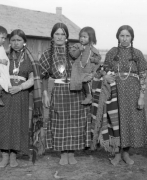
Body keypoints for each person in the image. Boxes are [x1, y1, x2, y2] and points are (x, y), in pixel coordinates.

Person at [91, 25, 147, 166]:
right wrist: (105, 76)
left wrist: (141, 96)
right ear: (118, 37)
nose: (124, 38)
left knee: (129, 122)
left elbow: (143, 75)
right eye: (122, 35)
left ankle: (126, 153)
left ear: (132, 37)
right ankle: (116, 154)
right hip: (114, 93)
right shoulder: (112, 52)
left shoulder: (137, 54)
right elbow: (103, 70)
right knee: (115, 122)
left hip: (133, 93)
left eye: (127, 36)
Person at [39, 23, 91, 165]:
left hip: (75, 91)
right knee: (60, 121)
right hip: (59, 91)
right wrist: (45, 94)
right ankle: (63, 153)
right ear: (52, 36)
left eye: (63, 34)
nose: (60, 37)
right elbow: (42, 77)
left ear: (67, 37)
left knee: (75, 122)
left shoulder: (74, 52)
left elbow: (87, 66)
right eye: (57, 34)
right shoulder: (46, 55)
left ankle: (72, 153)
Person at [0, 29, 42, 167]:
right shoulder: (4, 56)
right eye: (13, 40)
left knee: (18, 124)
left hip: (21, 95)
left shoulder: (30, 58)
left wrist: (20, 87)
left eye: (19, 40)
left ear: (24, 42)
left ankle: (13, 156)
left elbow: (32, 79)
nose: (16, 43)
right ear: (9, 41)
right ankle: (4, 156)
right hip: (5, 94)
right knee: (4, 124)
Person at [69, 27, 101, 104]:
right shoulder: (77, 46)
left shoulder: (92, 49)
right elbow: (73, 55)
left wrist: (93, 60)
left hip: (88, 69)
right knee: (78, 83)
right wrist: (79, 50)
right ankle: (85, 97)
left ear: (91, 38)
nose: (82, 39)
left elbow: (98, 59)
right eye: (81, 36)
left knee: (86, 82)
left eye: (84, 37)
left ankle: (89, 96)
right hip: (78, 69)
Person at [0, 26, 11, 106]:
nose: (4, 40)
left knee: (3, 82)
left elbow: (2, 54)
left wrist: (8, 51)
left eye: (5, 38)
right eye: (2, 38)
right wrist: (1, 61)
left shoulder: (1, 47)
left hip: (2, 69)